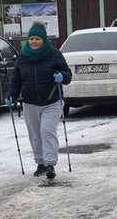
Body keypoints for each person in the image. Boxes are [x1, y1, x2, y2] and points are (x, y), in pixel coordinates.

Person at [6, 23, 72, 180]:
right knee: (35, 135)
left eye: (37, 38)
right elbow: (16, 80)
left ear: (43, 40)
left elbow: (67, 74)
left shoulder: (54, 55)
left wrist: (62, 77)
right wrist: (11, 95)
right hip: (30, 103)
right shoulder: (22, 58)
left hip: (51, 101)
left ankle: (50, 164)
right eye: (31, 39)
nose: (33, 42)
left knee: (47, 132)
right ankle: (40, 163)